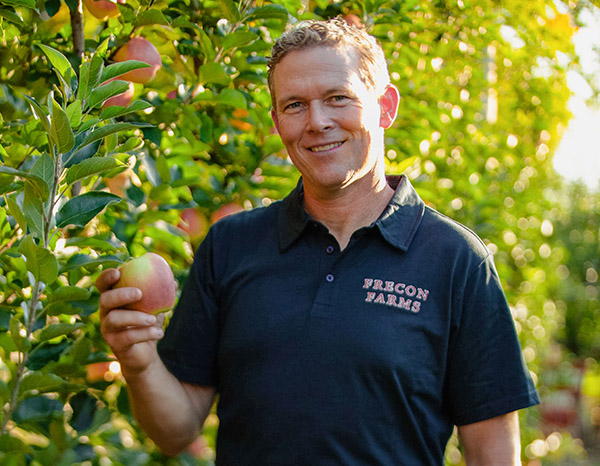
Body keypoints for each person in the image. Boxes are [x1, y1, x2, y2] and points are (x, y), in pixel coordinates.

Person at [97, 18, 540, 465]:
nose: (317, 122)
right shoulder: (231, 245)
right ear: (276, 121)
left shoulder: (456, 261)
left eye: (338, 98)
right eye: (294, 105)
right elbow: (176, 431)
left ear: (385, 107)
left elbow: (494, 455)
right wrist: (138, 362)